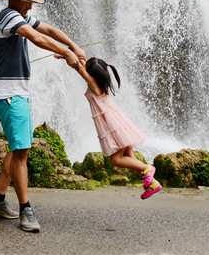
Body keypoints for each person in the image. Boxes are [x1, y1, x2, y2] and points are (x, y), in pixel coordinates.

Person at [0, 0, 85, 232]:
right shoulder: (9, 17)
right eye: (28, 3)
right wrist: (67, 54)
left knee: (19, 148)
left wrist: (74, 46)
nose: (30, 8)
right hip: (9, 96)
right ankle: (26, 210)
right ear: (17, 1)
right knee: (22, 152)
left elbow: (48, 30)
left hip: (16, 94)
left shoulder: (19, 16)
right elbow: (36, 38)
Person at [65, 55, 162, 199]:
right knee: (129, 157)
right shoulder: (101, 83)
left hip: (113, 126)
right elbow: (84, 64)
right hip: (120, 123)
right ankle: (153, 183)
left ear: (91, 74)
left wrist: (67, 55)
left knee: (116, 160)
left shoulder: (94, 85)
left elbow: (80, 69)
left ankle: (147, 168)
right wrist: (72, 52)